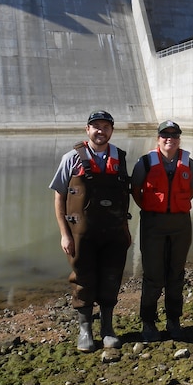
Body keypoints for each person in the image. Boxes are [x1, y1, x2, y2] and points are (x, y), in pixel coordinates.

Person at [49, 110, 131, 352]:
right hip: (80, 235)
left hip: (114, 234)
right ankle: (85, 330)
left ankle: (107, 329)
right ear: (87, 130)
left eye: (106, 127)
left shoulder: (121, 158)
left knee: (111, 278)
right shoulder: (71, 158)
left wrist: (126, 230)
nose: (100, 131)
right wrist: (64, 234)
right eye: (96, 126)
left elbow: (126, 197)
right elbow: (59, 196)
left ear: (111, 131)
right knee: (82, 279)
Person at [131, 121, 193, 341]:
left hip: (180, 224)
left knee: (176, 274)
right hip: (153, 224)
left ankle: (173, 320)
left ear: (179, 139)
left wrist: (174, 206)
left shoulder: (189, 163)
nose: (169, 138)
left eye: (174, 135)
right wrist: (152, 208)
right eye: (164, 135)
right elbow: (135, 190)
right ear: (157, 138)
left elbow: (192, 189)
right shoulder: (144, 163)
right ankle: (148, 322)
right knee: (152, 276)